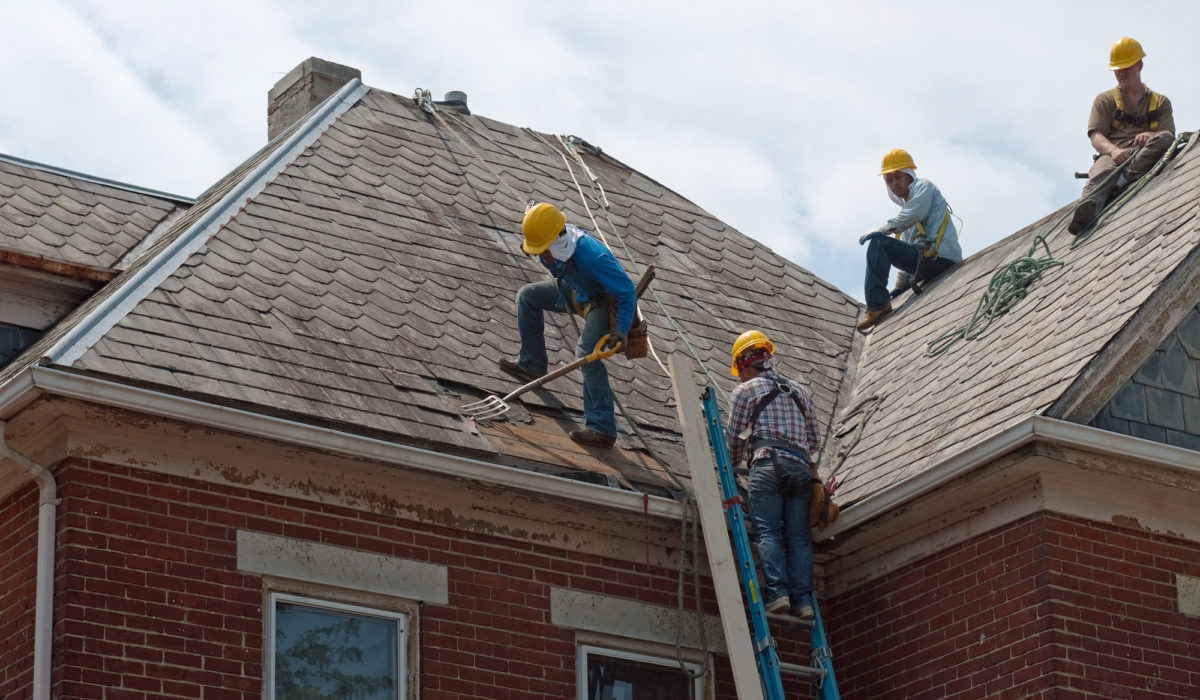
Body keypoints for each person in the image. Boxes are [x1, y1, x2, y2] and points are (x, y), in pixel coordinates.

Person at [499, 202, 636, 448]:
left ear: (557, 239)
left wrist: (622, 330)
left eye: (543, 250)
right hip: (573, 289)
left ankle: (602, 427)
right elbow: (551, 258)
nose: (541, 256)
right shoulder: (555, 243)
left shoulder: (594, 257)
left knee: (587, 354)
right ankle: (532, 364)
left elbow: (626, 292)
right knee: (528, 296)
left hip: (599, 301)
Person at [725, 330, 820, 619]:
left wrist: (731, 468)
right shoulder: (800, 392)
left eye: (739, 371)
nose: (739, 377)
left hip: (767, 465)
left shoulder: (745, 391)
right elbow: (813, 441)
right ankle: (803, 601)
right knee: (797, 538)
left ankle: (778, 594)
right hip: (800, 469)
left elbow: (734, 440)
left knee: (767, 532)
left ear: (744, 364)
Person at [1069, 37, 1175, 235]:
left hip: (1143, 151)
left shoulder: (1160, 102)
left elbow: (1168, 134)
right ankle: (1087, 212)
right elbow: (1096, 136)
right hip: (1112, 153)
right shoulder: (1105, 100)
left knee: (1165, 140)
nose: (1121, 73)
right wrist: (1114, 151)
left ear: (1139, 66)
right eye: (1117, 69)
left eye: (1126, 67)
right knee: (1102, 171)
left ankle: (1122, 180)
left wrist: (1149, 134)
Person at [857, 149, 962, 331]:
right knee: (883, 244)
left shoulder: (924, 187)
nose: (894, 183)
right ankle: (881, 303)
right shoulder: (905, 216)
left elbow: (915, 212)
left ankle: (876, 306)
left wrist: (883, 230)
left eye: (898, 177)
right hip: (925, 263)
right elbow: (907, 245)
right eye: (889, 180)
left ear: (909, 175)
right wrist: (899, 288)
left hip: (942, 259)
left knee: (880, 243)